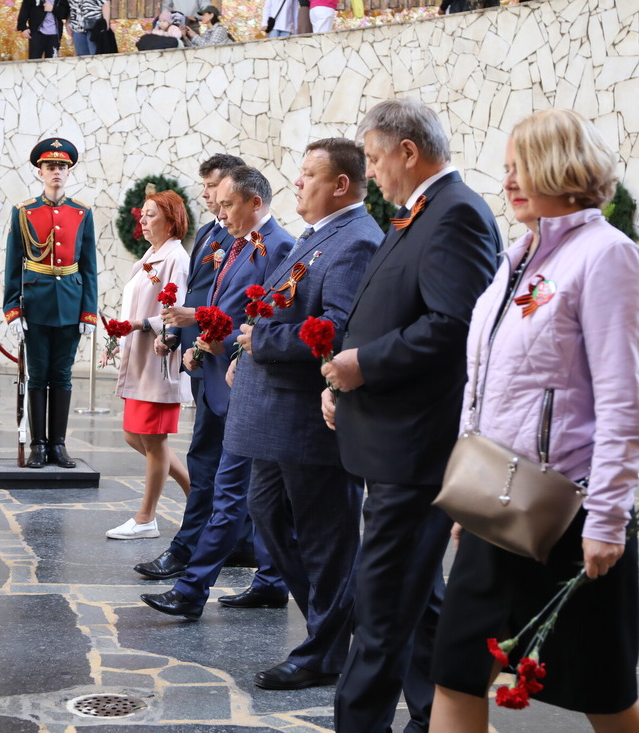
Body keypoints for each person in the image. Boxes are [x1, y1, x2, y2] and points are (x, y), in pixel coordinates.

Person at [429, 109, 639, 733]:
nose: (509, 180)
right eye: (506, 168)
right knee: (453, 673)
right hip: (497, 505)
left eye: (523, 166)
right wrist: (467, 493)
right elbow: (484, 386)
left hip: (570, 513)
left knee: (602, 694)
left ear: (567, 167)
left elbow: (625, 401)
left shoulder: (608, 257)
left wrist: (608, 519)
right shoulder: (518, 259)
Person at [320, 98, 502, 732]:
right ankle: (431, 716)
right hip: (391, 438)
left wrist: (363, 365)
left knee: (381, 606)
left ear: (408, 150)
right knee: (415, 597)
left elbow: (454, 326)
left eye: (373, 159)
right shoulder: (420, 212)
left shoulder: (455, 215)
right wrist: (344, 382)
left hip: (415, 450)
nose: (370, 174)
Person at [226, 138, 382, 690]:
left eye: (308, 174)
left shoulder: (357, 240)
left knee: (325, 536)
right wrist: (250, 345)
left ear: (340, 185)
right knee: (268, 514)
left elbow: (337, 331)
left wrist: (259, 339)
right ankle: (332, 622)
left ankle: (325, 648)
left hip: (308, 419)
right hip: (277, 416)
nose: (296, 183)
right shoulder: (319, 236)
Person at [140, 165, 293, 620]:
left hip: (249, 382)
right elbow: (224, 304)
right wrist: (203, 343)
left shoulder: (279, 246)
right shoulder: (238, 242)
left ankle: (193, 589)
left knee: (233, 491)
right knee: (251, 491)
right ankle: (270, 580)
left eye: (227, 204)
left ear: (255, 203)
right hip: (221, 370)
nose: (220, 213)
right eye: (218, 203)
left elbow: (269, 319)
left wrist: (225, 347)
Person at [134, 153, 245, 578]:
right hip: (202, 363)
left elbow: (238, 306)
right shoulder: (211, 234)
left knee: (213, 462)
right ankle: (234, 543)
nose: (205, 194)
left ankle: (188, 548)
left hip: (227, 366)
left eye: (213, 185)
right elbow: (198, 296)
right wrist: (175, 337)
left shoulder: (260, 242)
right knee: (209, 460)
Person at [4, 137, 98, 470]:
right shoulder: (24, 212)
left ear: (69, 172)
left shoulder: (81, 213)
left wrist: (89, 312)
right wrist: (12, 310)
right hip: (36, 302)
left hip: (71, 305)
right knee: (38, 375)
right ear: (40, 172)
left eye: (62, 166)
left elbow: (88, 266)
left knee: (62, 376)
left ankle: (58, 445)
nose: (56, 171)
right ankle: (38, 446)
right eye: (50, 166)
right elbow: (13, 264)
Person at [107, 191, 193, 540]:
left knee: (154, 440)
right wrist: (119, 338)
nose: (142, 221)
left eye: (150, 215)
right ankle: (200, 494)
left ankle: (146, 518)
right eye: (141, 215)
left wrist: (142, 326)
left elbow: (178, 310)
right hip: (139, 357)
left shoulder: (177, 258)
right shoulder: (150, 255)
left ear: (171, 220)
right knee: (134, 435)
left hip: (159, 358)